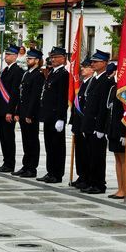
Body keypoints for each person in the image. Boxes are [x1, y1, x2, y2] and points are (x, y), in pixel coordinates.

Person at [79, 50, 114, 194]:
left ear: (105, 63)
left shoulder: (107, 81)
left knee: (98, 157)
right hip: (89, 124)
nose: (92, 64)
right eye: (92, 62)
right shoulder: (95, 79)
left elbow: (103, 107)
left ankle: (99, 184)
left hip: (96, 126)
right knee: (90, 155)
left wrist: (100, 127)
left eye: (96, 62)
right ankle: (90, 181)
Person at [38, 46, 69, 183]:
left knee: (57, 146)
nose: (54, 59)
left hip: (56, 116)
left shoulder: (63, 74)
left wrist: (61, 118)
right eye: (52, 57)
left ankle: (57, 174)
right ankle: (50, 171)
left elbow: (62, 98)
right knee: (49, 146)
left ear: (64, 59)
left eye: (56, 57)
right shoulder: (52, 73)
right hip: (49, 116)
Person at [12, 48, 45, 178]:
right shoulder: (27, 74)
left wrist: (30, 114)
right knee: (26, 141)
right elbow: (22, 95)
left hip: (31, 114)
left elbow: (35, 97)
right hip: (23, 112)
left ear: (37, 61)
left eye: (30, 58)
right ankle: (26, 165)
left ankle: (32, 168)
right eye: (27, 58)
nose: (28, 60)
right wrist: (18, 112)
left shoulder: (38, 75)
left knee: (32, 141)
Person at [0, 45, 24, 173]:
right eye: (6, 54)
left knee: (8, 138)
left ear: (16, 56)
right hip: (0, 109)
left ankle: (10, 164)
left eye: (9, 55)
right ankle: (6, 162)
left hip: (8, 110)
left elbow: (15, 93)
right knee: (3, 138)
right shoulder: (4, 71)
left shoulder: (17, 71)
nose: (6, 57)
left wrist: (11, 111)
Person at [106, 64, 126, 199]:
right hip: (113, 128)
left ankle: (125, 189)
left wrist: (125, 133)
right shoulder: (114, 88)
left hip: (122, 129)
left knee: (124, 159)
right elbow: (110, 109)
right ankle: (120, 188)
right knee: (117, 158)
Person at [69, 58, 93, 189]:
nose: (82, 69)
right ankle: (81, 176)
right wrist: (73, 123)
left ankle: (87, 177)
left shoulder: (92, 83)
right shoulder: (83, 83)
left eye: (85, 67)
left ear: (91, 69)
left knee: (86, 153)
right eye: (82, 67)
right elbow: (76, 104)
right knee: (79, 152)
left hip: (86, 124)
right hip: (79, 124)